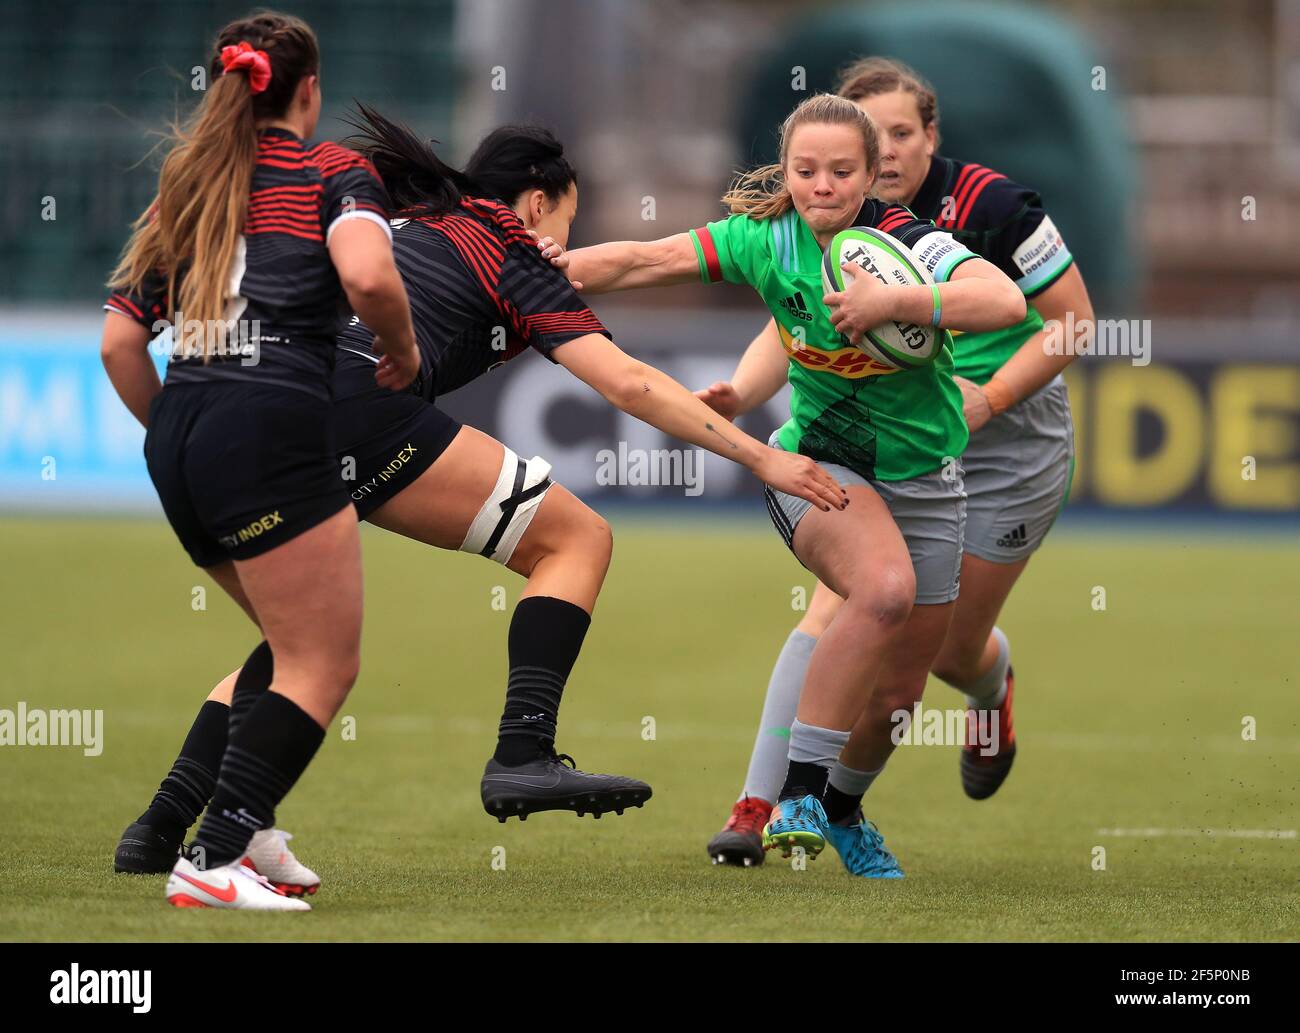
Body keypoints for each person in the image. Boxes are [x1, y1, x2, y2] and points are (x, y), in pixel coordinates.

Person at [111, 108, 845, 894]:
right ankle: (522, 752)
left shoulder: (413, 217)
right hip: (361, 408)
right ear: (537, 202)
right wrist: (761, 455)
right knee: (576, 539)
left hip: (258, 410)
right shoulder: (515, 250)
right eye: (569, 213)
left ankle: (161, 820)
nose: (565, 233)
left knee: (292, 646)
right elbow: (628, 382)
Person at [543, 93, 1025, 877]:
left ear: (873, 175)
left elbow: (1003, 300)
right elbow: (647, 258)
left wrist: (894, 301)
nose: (822, 185)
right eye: (806, 170)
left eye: (841, 171)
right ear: (787, 169)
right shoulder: (765, 237)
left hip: (928, 478)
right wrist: (552, 268)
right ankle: (793, 796)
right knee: (882, 589)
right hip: (814, 465)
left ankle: (841, 807)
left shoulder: (904, 242)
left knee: (901, 691)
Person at [701, 58, 1092, 870]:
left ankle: (989, 693)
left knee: (947, 650)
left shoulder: (994, 206)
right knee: (844, 609)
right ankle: (761, 805)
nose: (883, 159)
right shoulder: (837, 213)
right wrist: (741, 389)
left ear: (930, 135)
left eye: (900, 137)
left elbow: (1074, 324)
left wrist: (986, 398)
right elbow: (794, 318)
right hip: (889, 435)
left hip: (1009, 434)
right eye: (868, 142)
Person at [101, 12, 420, 910]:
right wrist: (403, 350)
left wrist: (186, 429)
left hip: (182, 431)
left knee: (286, 650)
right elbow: (366, 278)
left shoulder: (190, 179)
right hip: (270, 419)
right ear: (307, 89)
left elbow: (121, 344)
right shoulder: (333, 171)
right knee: (322, 661)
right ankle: (211, 857)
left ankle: (250, 828)